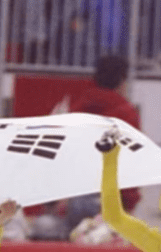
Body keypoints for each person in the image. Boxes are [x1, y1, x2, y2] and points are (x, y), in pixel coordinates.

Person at [68, 54, 142, 227]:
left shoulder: (77, 110)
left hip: (76, 195)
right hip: (111, 199)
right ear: (122, 80)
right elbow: (129, 159)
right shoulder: (125, 114)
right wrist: (130, 200)